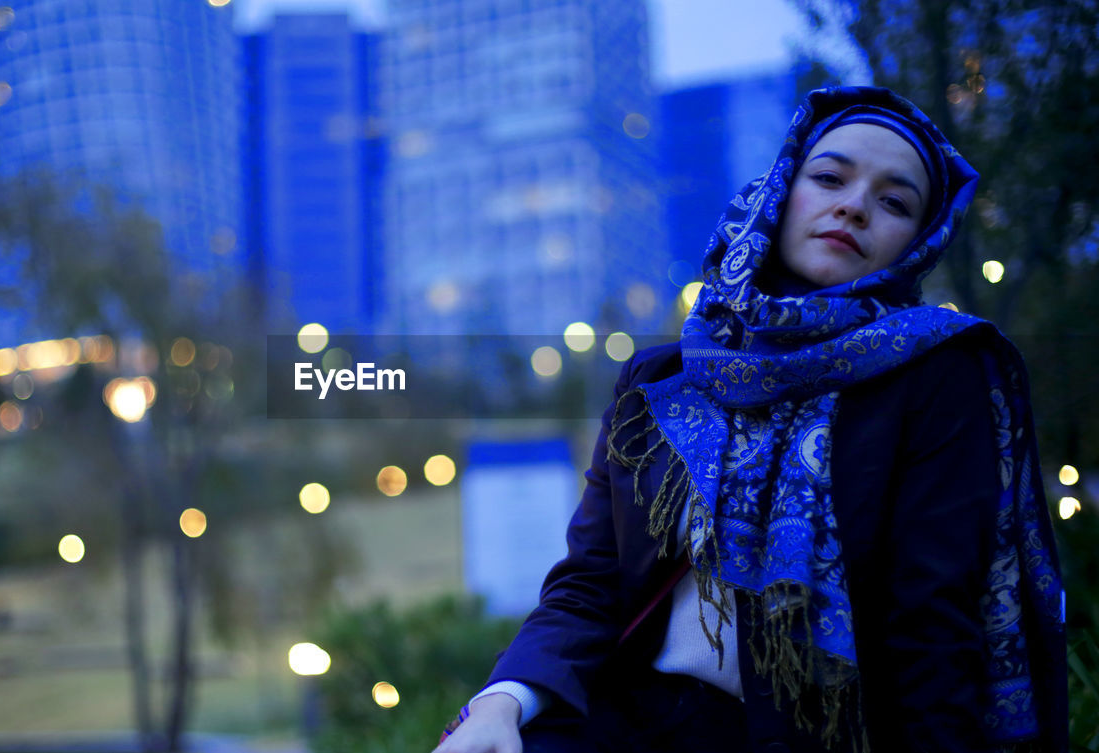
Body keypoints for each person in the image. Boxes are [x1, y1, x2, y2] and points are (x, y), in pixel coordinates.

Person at [432, 86, 1068, 753]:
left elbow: (932, 625)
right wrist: (502, 701)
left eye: (894, 201)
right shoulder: (662, 381)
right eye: (829, 178)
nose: (853, 205)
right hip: (631, 721)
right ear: (779, 191)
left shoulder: (937, 376)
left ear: (917, 244)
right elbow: (590, 584)